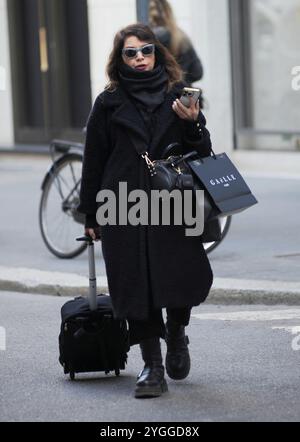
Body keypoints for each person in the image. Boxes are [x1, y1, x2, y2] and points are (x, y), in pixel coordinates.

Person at [77, 23, 213, 399]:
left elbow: (202, 150)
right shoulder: (108, 102)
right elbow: (94, 160)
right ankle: (151, 365)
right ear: (119, 58)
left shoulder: (177, 94)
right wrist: (91, 215)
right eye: (130, 52)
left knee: (179, 275)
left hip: (172, 200)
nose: (139, 58)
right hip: (122, 203)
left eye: (146, 50)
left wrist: (193, 123)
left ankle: (176, 332)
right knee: (134, 283)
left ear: (158, 54)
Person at [148, 0, 203, 86]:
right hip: (184, 95)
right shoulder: (181, 36)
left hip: (158, 94)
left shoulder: (147, 39)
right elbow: (197, 72)